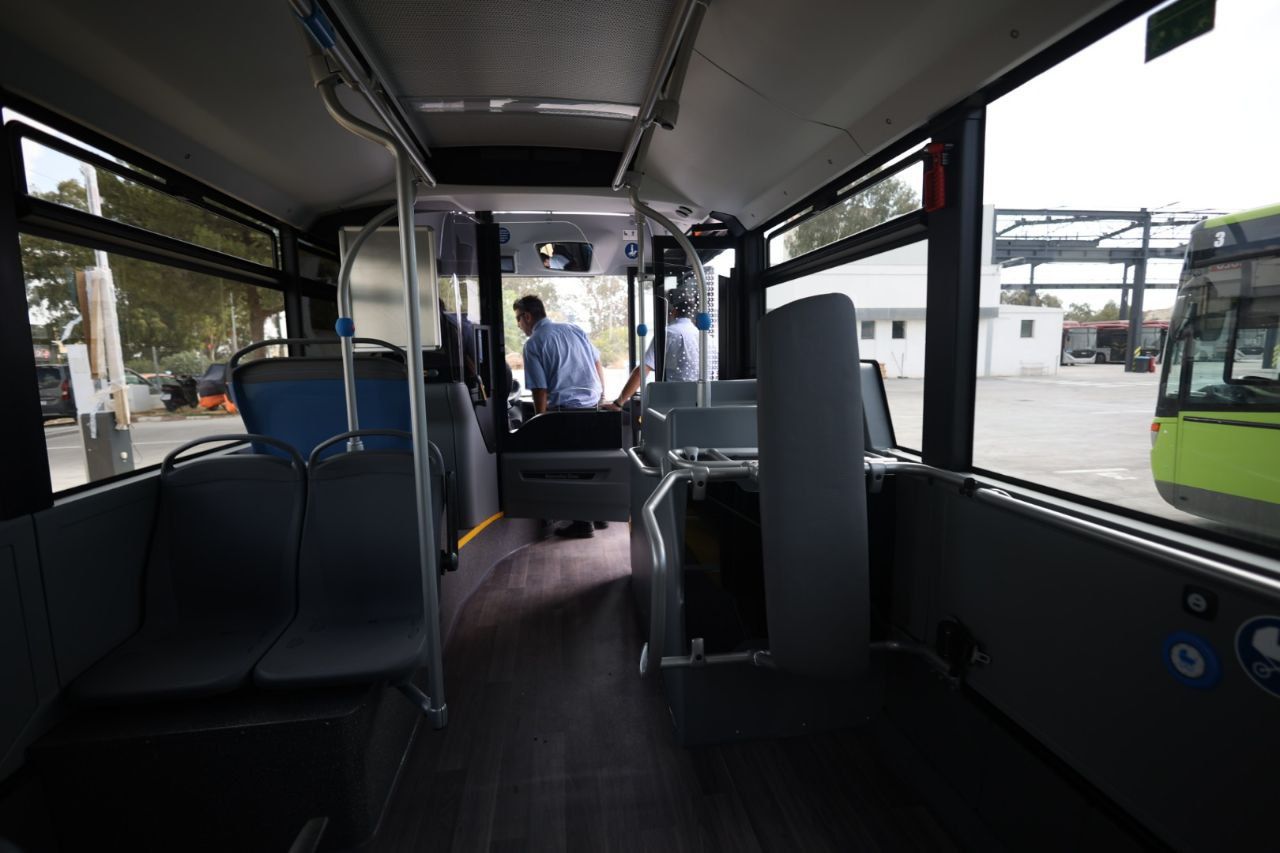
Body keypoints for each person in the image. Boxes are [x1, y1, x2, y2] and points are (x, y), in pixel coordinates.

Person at [512, 294, 609, 538]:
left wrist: (539, 422)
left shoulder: (534, 343)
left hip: (565, 411)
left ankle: (582, 523)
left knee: (569, 467)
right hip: (592, 407)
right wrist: (600, 396)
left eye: (517, 319)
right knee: (591, 464)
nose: (518, 325)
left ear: (527, 316)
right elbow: (597, 363)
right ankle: (600, 515)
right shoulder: (573, 329)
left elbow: (540, 389)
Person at [607, 285, 701, 410]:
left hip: (673, 404)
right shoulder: (703, 336)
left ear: (672, 311)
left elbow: (642, 372)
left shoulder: (669, 333)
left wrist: (618, 403)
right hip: (699, 402)